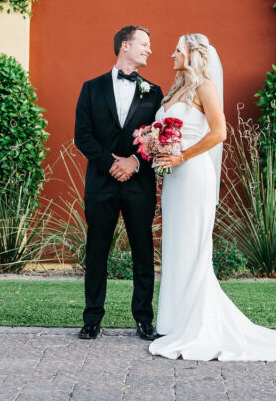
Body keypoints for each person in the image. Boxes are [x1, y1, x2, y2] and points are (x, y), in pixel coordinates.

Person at [149, 33, 276, 361]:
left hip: (193, 173)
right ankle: (174, 321)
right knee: (175, 244)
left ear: (192, 54)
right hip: (174, 178)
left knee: (192, 245)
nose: (171, 55)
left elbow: (220, 132)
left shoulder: (204, 86)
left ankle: (195, 322)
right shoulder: (176, 88)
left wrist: (182, 155)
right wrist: (155, 144)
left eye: (177, 50)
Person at [74, 25, 164, 341]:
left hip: (139, 185)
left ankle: (143, 319)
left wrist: (135, 162)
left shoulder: (154, 92)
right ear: (125, 46)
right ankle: (92, 319)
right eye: (144, 44)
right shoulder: (91, 88)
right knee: (97, 250)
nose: (149, 50)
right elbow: (82, 136)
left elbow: (159, 137)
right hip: (101, 183)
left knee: (143, 252)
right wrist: (112, 163)